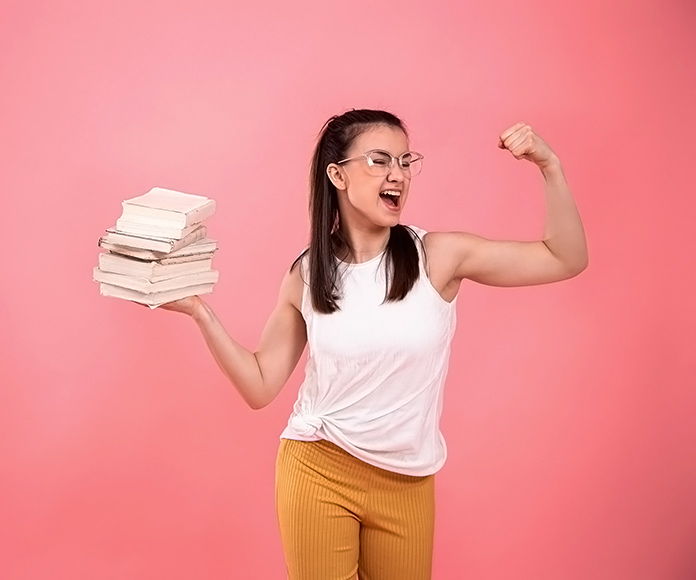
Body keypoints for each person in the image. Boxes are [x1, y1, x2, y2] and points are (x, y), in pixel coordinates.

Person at [159, 109, 588, 580]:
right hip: (318, 468)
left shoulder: (438, 256)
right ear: (337, 174)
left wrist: (550, 166)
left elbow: (564, 257)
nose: (397, 175)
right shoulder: (307, 274)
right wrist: (200, 312)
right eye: (380, 160)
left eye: (405, 162)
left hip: (406, 483)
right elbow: (260, 385)